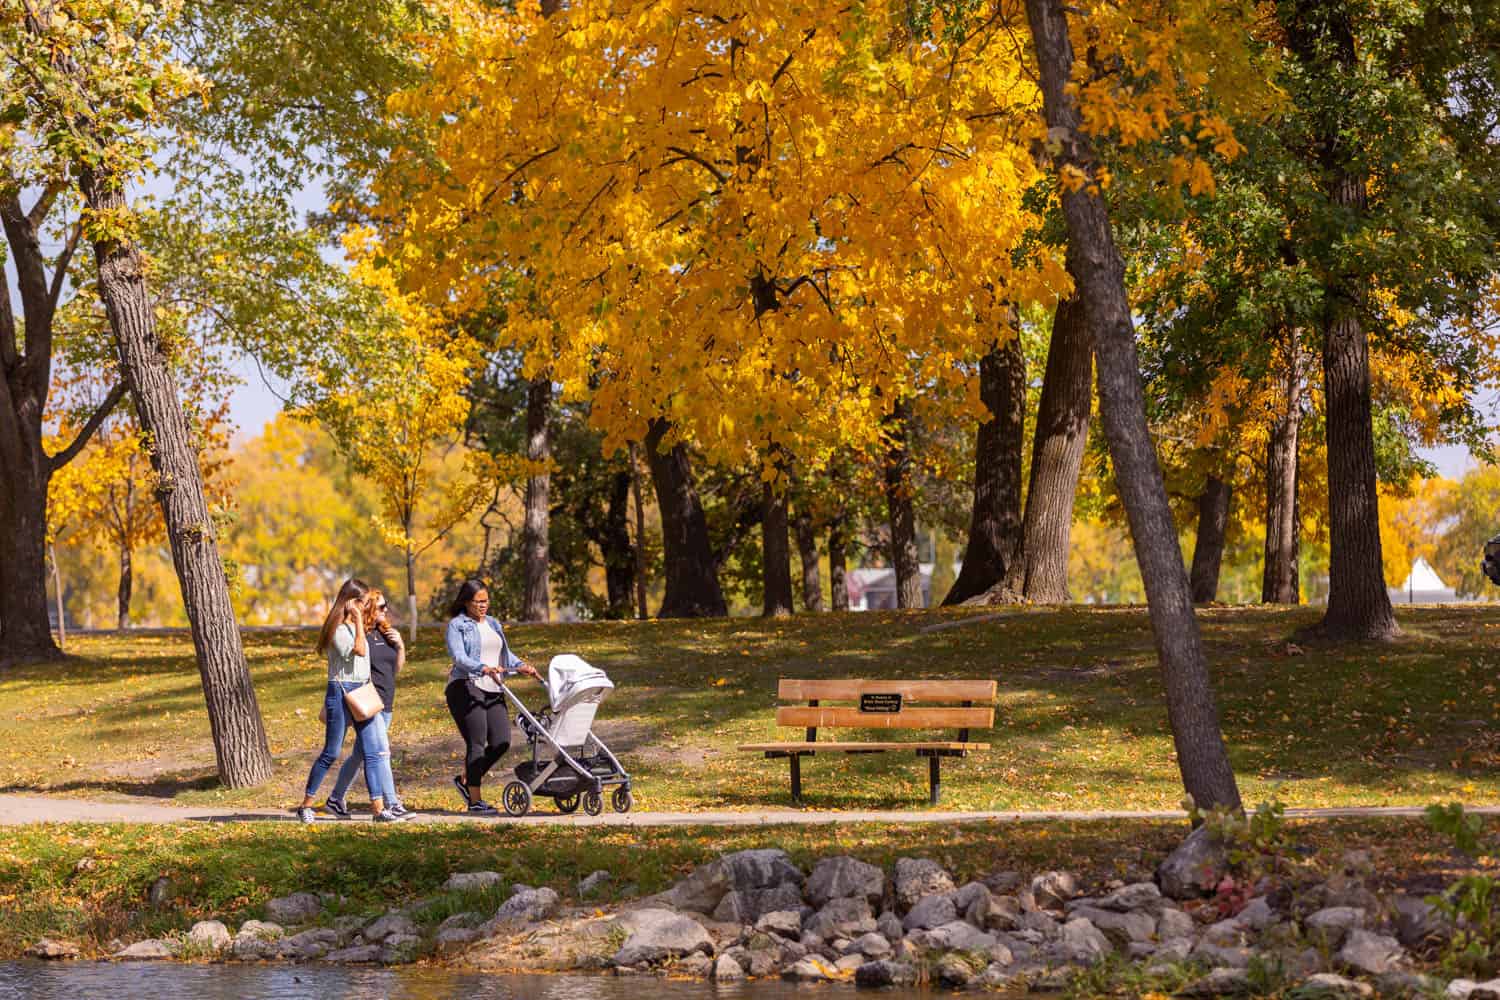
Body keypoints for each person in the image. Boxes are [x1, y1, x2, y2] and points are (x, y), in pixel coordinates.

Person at [294, 578, 405, 823]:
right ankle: (306, 804)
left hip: (363, 690)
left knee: (373, 752)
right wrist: (356, 620)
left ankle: (379, 810)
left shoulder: (360, 627)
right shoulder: (337, 629)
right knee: (331, 752)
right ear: (352, 602)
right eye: (363, 603)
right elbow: (359, 650)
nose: (366, 608)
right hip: (341, 692)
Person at [444, 579, 538, 814]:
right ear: (466, 602)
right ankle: (475, 801)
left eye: (486, 601)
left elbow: (504, 655)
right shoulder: (457, 625)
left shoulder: (494, 624)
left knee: (501, 742)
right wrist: (482, 667)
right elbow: (459, 657)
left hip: (493, 688)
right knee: (476, 742)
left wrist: (521, 666)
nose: (483, 605)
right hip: (466, 686)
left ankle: (466, 779)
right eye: (478, 602)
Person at [324, 590, 406, 818]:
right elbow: (355, 667)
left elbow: (394, 669)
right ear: (368, 608)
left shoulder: (385, 633)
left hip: (386, 702)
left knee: (361, 755)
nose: (385, 610)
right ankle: (391, 803)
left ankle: (335, 799)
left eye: (386, 606)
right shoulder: (362, 635)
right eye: (381, 607)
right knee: (381, 752)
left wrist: (400, 647)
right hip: (369, 701)